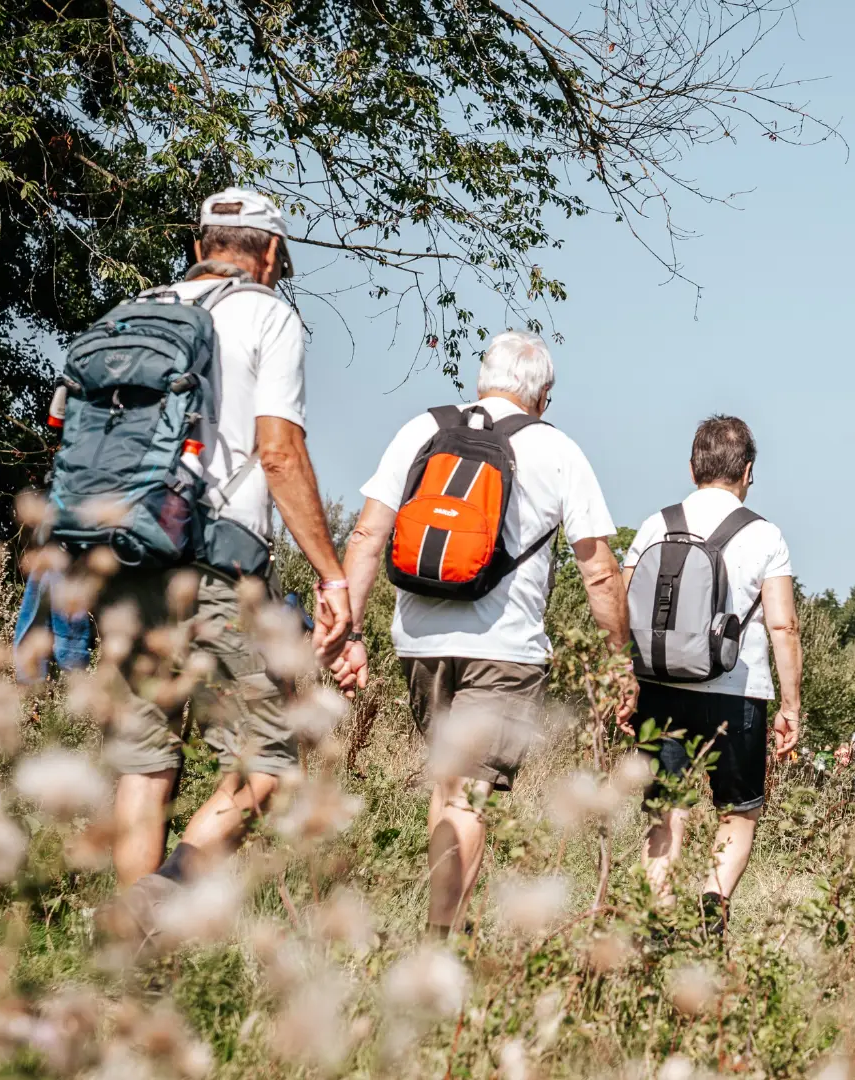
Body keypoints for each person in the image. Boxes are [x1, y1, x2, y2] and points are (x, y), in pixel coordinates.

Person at [329, 330, 632, 939]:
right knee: (470, 795)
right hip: (504, 648)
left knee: (448, 787)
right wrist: (618, 658)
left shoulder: (421, 429)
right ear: (543, 396)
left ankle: (445, 926)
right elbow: (599, 571)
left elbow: (365, 537)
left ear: (481, 379)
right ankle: (441, 942)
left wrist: (348, 632)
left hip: (420, 642)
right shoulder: (557, 451)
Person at [113, 188, 350, 900]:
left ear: (198, 247)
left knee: (145, 763)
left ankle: (131, 964)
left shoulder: (135, 311)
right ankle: (158, 903)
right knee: (269, 768)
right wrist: (330, 575)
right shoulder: (269, 316)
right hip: (217, 559)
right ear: (272, 254)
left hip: (122, 556)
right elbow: (278, 453)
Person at [626, 416, 802, 939]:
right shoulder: (765, 535)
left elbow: (624, 603)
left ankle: (656, 918)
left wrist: (622, 677)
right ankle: (712, 901)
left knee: (667, 811)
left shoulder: (656, 525)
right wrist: (790, 705)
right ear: (748, 471)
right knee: (738, 814)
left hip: (660, 687)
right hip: (738, 692)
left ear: (692, 467)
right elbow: (782, 624)